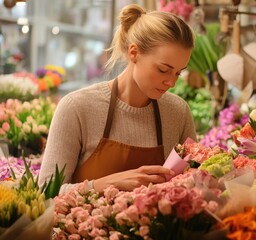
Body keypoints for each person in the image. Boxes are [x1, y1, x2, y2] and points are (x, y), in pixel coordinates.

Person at [38, 4, 197, 193]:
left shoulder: (178, 112)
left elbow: (194, 182)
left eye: (178, 73)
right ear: (134, 53)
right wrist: (101, 185)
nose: (171, 82)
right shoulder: (77, 107)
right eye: (163, 70)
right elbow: (46, 192)